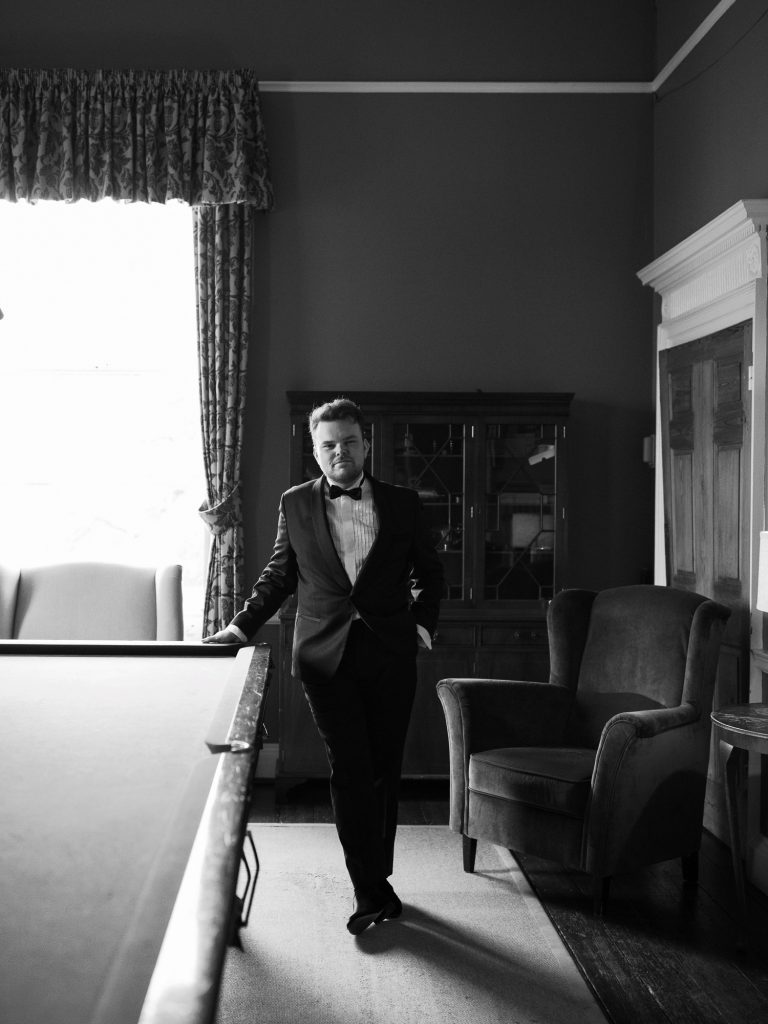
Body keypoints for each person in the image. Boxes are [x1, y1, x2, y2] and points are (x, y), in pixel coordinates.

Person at [204, 397, 444, 935]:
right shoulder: (295, 504)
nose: (340, 452)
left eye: (349, 442)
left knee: (383, 769)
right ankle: (369, 890)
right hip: (323, 657)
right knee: (350, 768)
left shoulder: (403, 503)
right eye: (328, 445)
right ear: (315, 452)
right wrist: (240, 628)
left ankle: (377, 879)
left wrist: (423, 627)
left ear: (366, 445)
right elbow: (279, 576)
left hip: (390, 654)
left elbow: (431, 574)